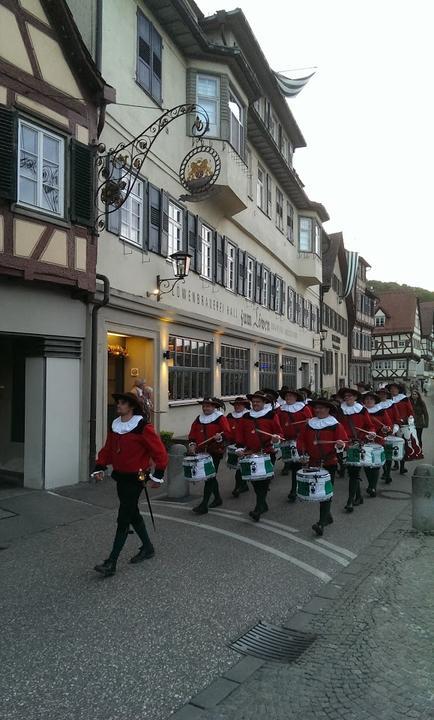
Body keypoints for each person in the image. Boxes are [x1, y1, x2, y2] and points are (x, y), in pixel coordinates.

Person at [92, 392, 168, 577]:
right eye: (118, 402)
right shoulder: (116, 425)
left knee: (124, 517)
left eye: (123, 403)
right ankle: (148, 548)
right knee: (132, 512)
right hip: (121, 477)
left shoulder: (142, 427)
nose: (118, 405)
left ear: (131, 406)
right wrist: (100, 466)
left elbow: (159, 452)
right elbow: (108, 448)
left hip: (136, 478)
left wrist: (157, 475)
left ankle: (111, 561)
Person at [297, 398, 348, 537]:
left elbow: (343, 442)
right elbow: (301, 440)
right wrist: (302, 452)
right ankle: (327, 515)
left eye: (321, 408)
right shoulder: (309, 424)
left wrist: (339, 444)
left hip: (329, 462)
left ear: (328, 410)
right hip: (312, 462)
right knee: (319, 491)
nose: (318, 410)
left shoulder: (335, 425)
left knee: (325, 492)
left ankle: (321, 522)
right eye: (316, 408)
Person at [235, 391, 282, 522]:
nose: (255, 404)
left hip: (267, 452)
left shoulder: (271, 415)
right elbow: (240, 433)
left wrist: (275, 438)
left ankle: (258, 507)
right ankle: (263, 504)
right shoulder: (246, 416)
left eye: (258, 401)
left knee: (263, 481)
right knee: (255, 480)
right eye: (254, 401)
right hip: (250, 453)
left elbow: (278, 431)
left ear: (264, 403)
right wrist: (239, 447)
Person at [188, 397, 231, 515]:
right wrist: (192, 444)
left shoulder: (220, 418)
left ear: (214, 407)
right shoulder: (199, 419)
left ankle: (204, 504)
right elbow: (193, 433)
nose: (205, 408)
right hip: (201, 452)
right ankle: (217, 498)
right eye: (204, 406)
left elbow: (227, 434)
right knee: (211, 476)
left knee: (209, 477)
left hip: (215, 452)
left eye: (208, 406)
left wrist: (220, 438)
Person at [336, 387, 376, 512]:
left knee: (354, 472)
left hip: (358, 444)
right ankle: (358, 497)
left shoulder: (362, 410)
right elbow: (335, 425)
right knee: (352, 471)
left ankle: (350, 501)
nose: (347, 398)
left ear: (355, 397)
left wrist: (371, 433)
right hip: (344, 444)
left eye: (350, 395)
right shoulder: (339, 410)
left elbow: (370, 426)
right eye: (346, 396)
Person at [277, 388, 312, 501]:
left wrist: (308, 422)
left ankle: (294, 490)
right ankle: (296, 487)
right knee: (293, 465)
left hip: (299, 441)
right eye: (286, 396)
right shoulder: (280, 410)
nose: (288, 398)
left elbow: (311, 423)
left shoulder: (303, 408)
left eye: (290, 396)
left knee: (297, 466)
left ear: (296, 397)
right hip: (285, 441)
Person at [362, 391, 393, 494]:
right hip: (365, 440)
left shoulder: (381, 411)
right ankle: (371, 483)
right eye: (366, 399)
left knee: (375, 464)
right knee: (366, 463)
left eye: (371, 399)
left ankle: (372, 486)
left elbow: (388, 426)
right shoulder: (360, 411)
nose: (369, 401)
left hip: (378, 440)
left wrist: (385, 429)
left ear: (375, 401)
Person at [387, 382, 422, 471]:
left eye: (395, 388)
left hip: (403, 425)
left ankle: (402, 466)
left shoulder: (404, 399)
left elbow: (410, 411)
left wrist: (408, 420)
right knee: (392, 446)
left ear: (399, 390)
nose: (393, 390)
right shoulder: (387, 400)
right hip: (391, 426)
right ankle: (395, 464)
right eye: (391, 389)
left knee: (402, 446)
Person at [226, 397, 251, 497]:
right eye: (235, 404)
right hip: (234, 444)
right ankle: (243, 485)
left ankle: (238, 487)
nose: (237, 406)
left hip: (245, 444)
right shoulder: (230, 416)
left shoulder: (249, 415)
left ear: (244, 405)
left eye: (239, 404)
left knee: (239, 467)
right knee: (239, 466)